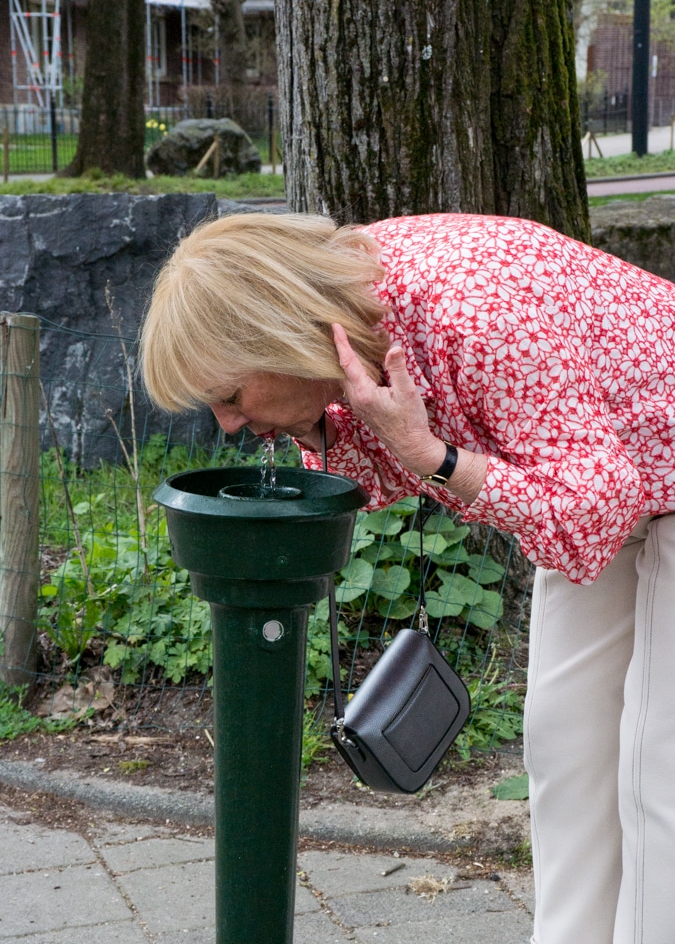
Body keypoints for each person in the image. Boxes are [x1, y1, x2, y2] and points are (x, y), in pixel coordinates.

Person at [140, 210, 675, 944]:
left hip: (624, 476)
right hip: (602, 471)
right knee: (564, 741)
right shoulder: (352, 309)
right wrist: (333, 433)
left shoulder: (472, 313)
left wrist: (433, 456)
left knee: (658, 761)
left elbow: (593, 508)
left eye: (231, 396)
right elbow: (402, 456)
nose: (228, 425)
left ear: (275, 336)